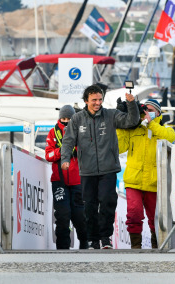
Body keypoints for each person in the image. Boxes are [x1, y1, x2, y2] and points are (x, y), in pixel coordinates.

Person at [61, 84, 139, 249]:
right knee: (89, 206)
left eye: (100, 99)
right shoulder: (77, 118)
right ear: (86, 101)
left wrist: (131, 104)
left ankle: (105, 238)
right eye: (94, 100)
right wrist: (65, 158)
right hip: (87, 170)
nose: (98, 103)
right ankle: (92, 239)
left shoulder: (111, 115)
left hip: (108, 168)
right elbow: (68, 141)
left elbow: (131, 121)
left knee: (107, 202)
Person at [117, 99, 175, 249]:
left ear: (158, 113)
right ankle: (136, 247)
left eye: (151, 110)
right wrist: (122, 123)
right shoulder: (134, 129)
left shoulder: (164, 130)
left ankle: (157, 246)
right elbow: (119, 148)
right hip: (134, 180)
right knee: (134, 214)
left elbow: (170, 138)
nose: (147, 113)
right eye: (145, 109)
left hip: (155, 182)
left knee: (155, 218)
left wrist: (151, 124)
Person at [45, 105, 88, 249]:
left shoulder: (82, 132)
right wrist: (63, 150)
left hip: (78, 181)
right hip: (59, 181)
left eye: (69, 119)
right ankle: (62, 250)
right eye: (63, 118)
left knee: (80, 216)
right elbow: (48, 155)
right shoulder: (52, 133)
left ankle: (85, 244)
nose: (66, 121)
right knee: (63, 216)